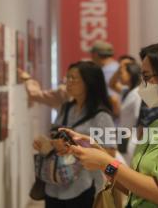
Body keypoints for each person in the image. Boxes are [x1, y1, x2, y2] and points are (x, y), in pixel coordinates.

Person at [62, 39, 158, 207]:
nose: (141, 86)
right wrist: (100, 157)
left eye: (146, 77)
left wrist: (105, 162)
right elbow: (137, 189)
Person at [33, 61, 116, 208]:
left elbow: (110, 153)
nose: (68, 83)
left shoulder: (102, 116)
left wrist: (74, 148)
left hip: (84, 186)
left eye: (73, 78)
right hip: (53, 183)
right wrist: (48, 144)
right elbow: (56, 136)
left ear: (89, 82)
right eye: (67, 78)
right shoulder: (65, 108)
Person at [109, 59, 142, 157]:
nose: (119, 76)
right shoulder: (127, 91)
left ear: (131, 74)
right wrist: (120, 67)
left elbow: (138, 119)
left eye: (122, 73)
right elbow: (111, 84)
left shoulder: (137, 94)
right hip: (123, 136)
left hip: (131, 138)